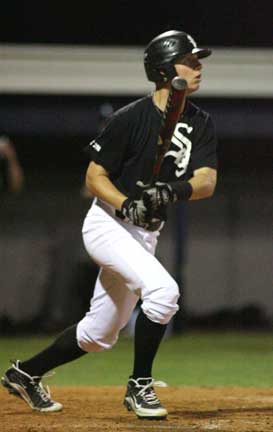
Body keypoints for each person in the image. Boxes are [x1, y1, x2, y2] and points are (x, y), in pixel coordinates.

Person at [1, 30, 217, 419]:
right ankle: (140, 386)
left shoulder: (200, 122)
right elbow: (94, 176)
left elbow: (206, 181)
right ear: (167, 70)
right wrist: (126, 203)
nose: (199, 66)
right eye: (191, 60)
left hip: (146, 234)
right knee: (164, 292)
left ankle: (25, 373)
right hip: (107, 225)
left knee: (98, 335)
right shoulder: (130, 118)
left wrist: (171, 190)